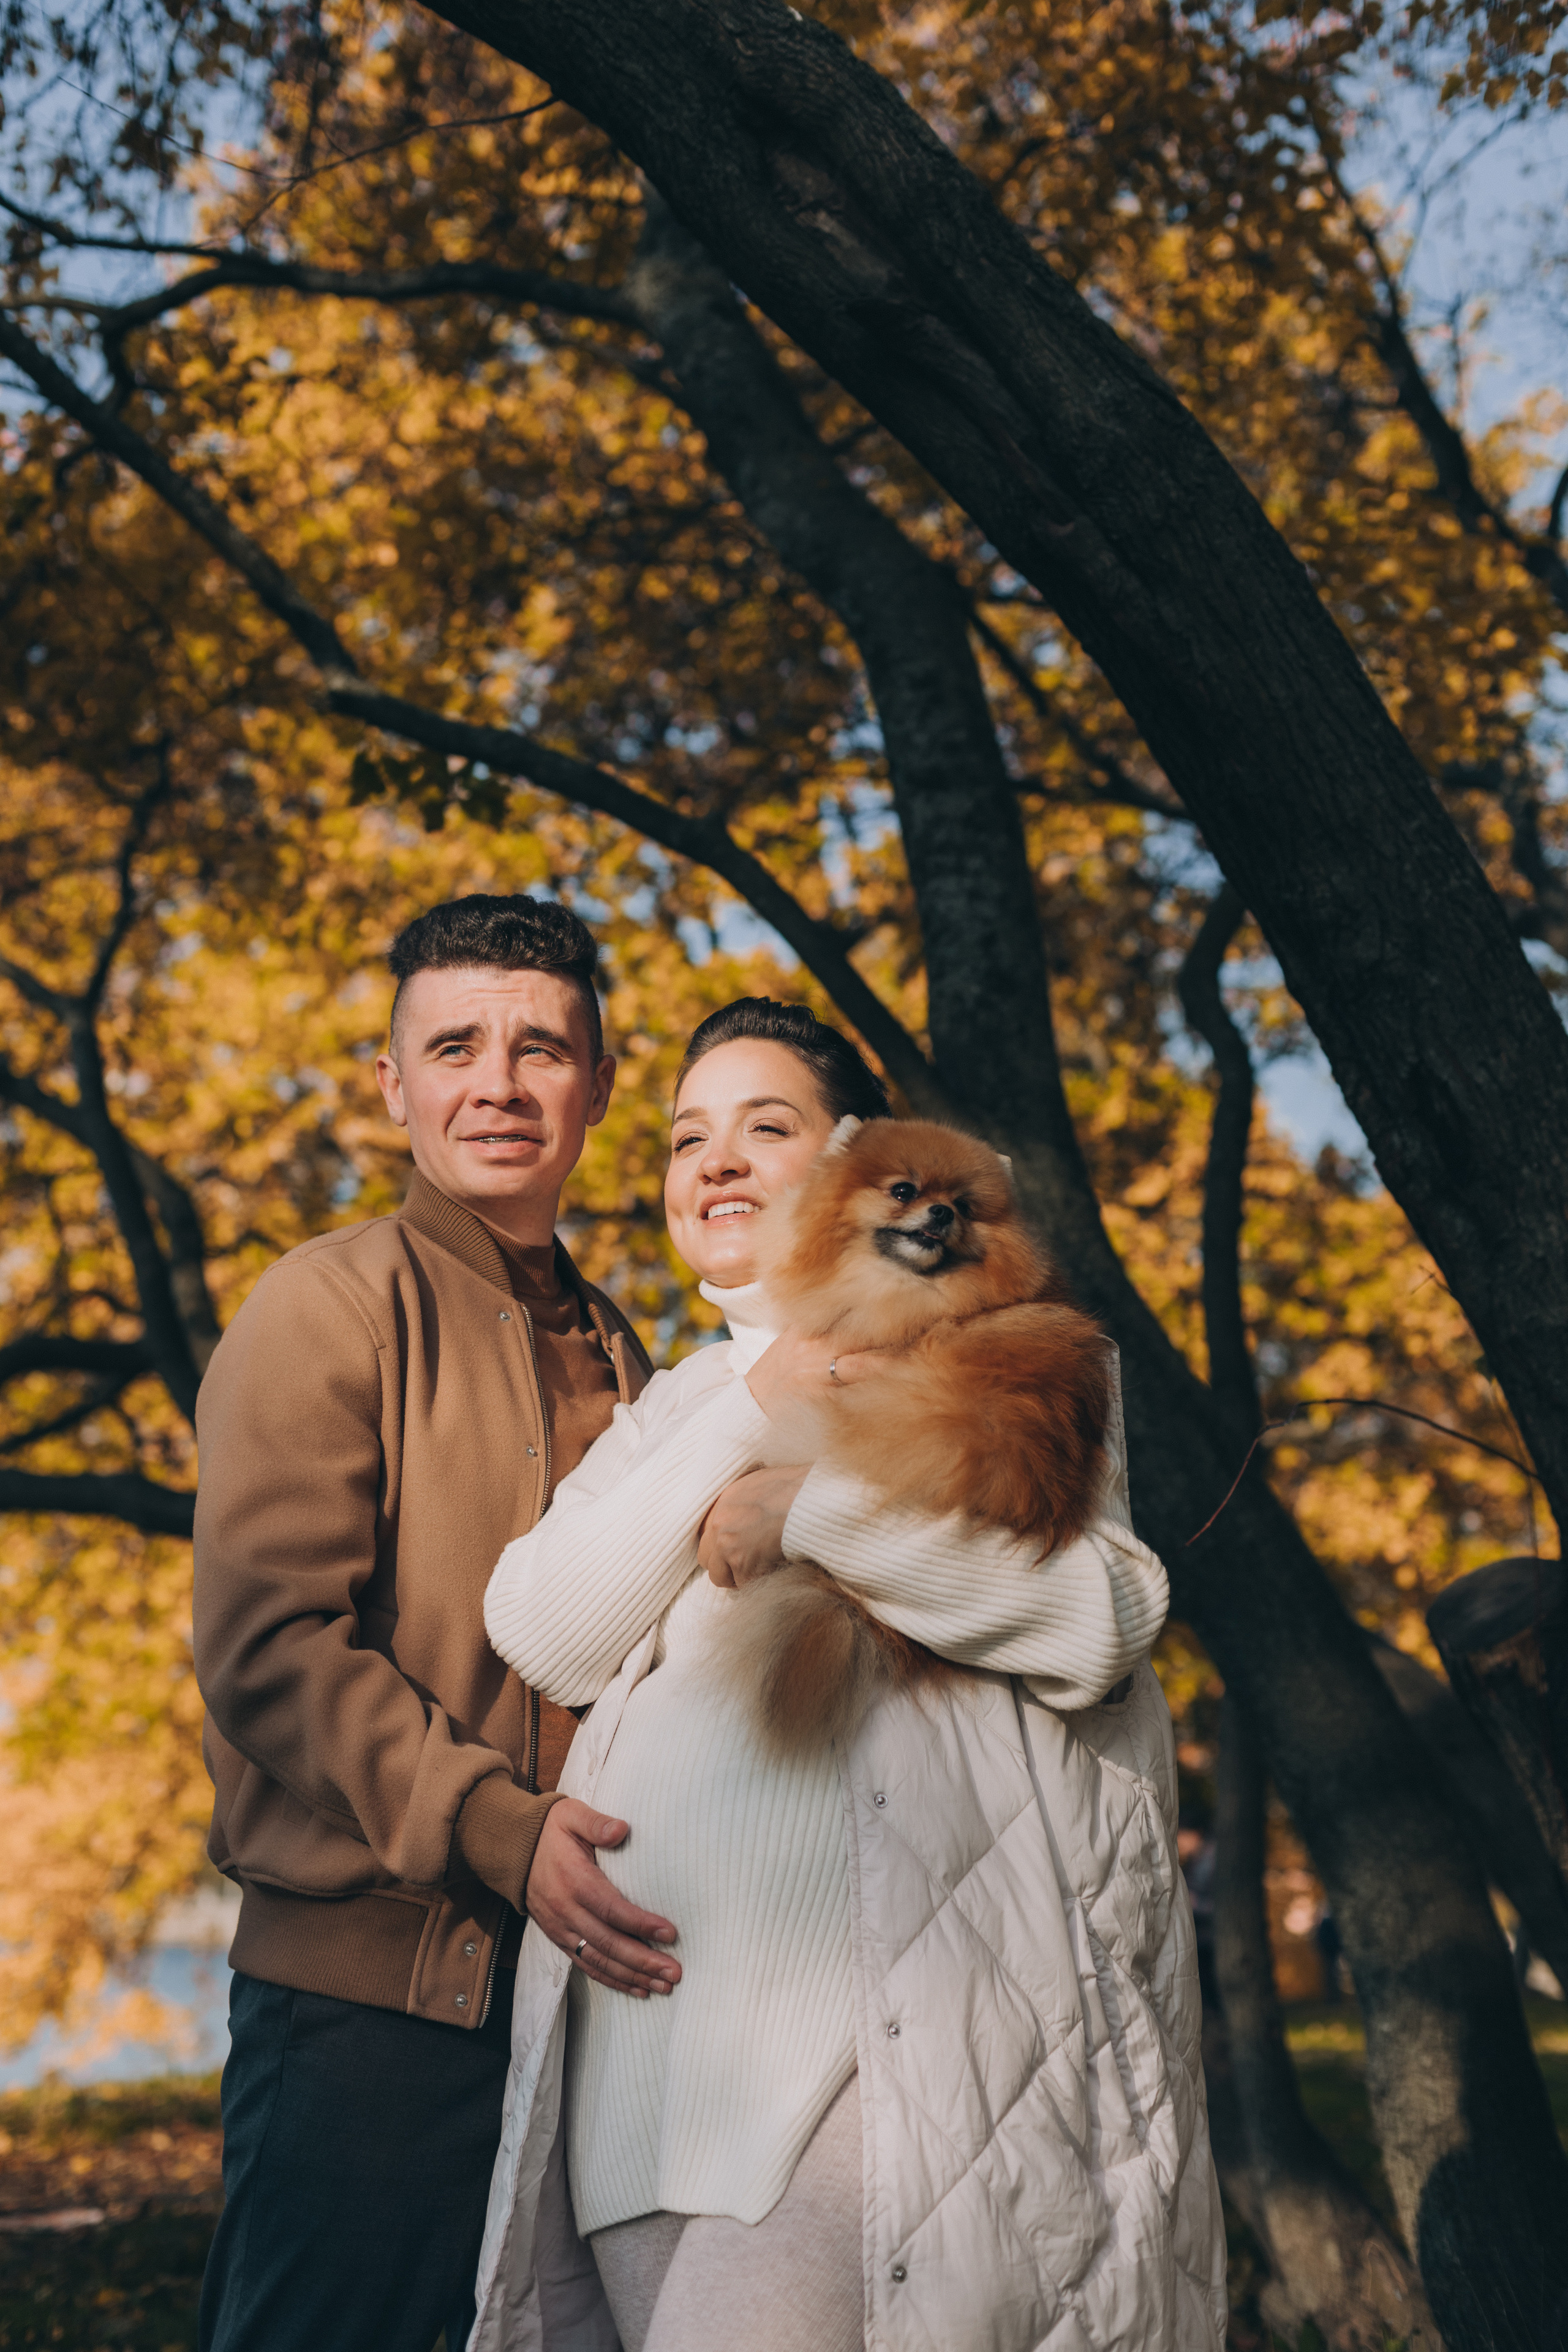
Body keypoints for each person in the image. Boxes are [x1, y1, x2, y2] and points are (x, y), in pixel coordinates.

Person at [470, 998, 1227, 2352]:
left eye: (764, 1127)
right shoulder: (673, 1409)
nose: (714, 1158)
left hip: (854, 2078)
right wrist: (758, 1406)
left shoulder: (1008, 1356)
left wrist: (809, 1514)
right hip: (639, 2096)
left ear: (857, 1166)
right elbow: (545, 1628)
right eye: (686, 1137)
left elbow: (1094, 1621)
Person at [190, 894, 682, 2352]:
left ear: (596, 1087)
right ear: (392, 1084)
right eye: (455, 1046)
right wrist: (496, 1827)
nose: (499, 1083)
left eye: (542, 1049)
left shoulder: (630, 1354)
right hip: (365, 2020)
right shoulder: (326, 1305)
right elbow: (268, 1649)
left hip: (581, 2009)